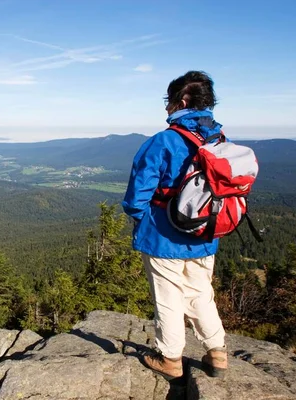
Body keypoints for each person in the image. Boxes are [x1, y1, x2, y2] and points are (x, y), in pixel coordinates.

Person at [122, 71, 228, 379]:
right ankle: (217, 353)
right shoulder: (221, 141)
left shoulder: (163, 142)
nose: (167, 109)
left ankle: (170, 359)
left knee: (168, 298)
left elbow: (136, 197)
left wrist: (144, 222)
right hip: (205, 233)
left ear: (181, 101)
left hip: (163, 237)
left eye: (169, 102)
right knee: (199, 293)